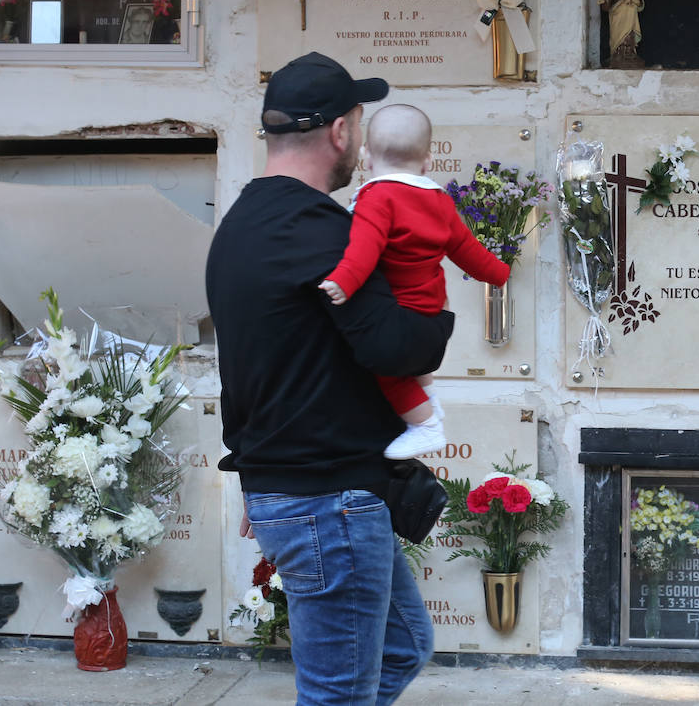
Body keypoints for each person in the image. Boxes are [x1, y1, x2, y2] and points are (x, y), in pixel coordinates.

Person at [207, 51, 452, 705]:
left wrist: (262, 477)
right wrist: (436, 293)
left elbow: (255, 365)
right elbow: (399, 349)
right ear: (341, 133)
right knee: (337, 695)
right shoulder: (323, 232)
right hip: (327, 505)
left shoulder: (242, 225)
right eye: (360, 123)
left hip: (308, 489)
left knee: (404, 648)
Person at [320, 103, 509, 459]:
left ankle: (425, 425)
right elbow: (466, 249)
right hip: (434, 324)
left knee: (382, 369)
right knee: (410, 366)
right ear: (427, 163)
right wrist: (498, 273)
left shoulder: (377, 198)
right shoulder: (439, 201)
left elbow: (363, 250)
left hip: (399, 326)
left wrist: (342, 282)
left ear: (366, 158)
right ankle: (430, 400)